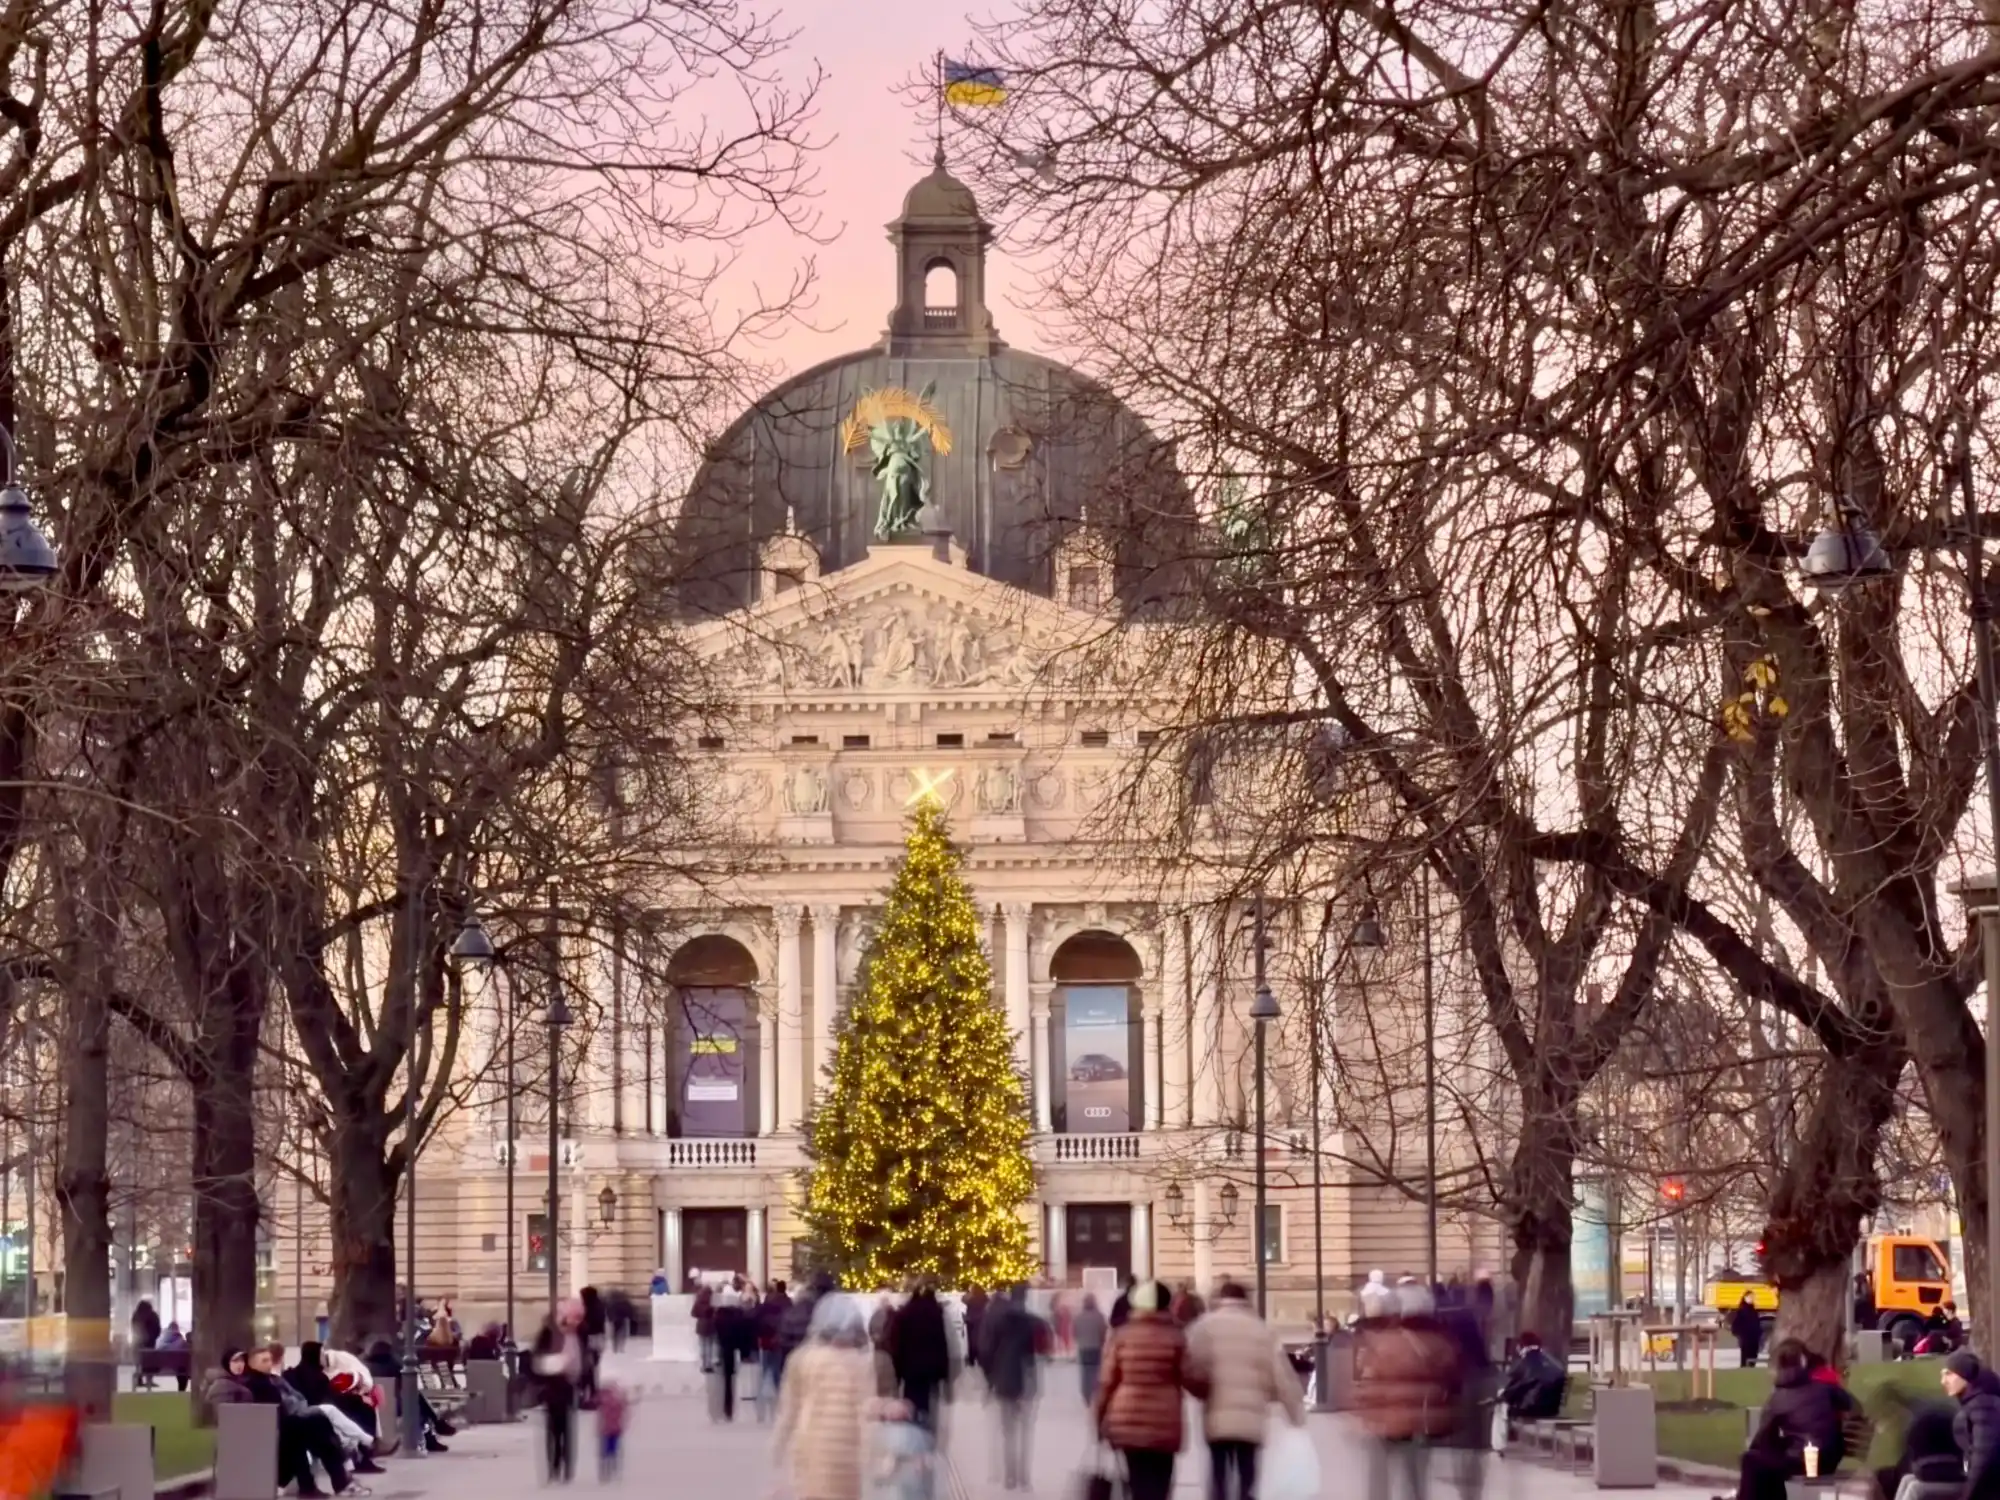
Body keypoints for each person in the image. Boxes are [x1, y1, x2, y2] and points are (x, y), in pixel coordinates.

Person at [1186, 1281, 1307, 1500]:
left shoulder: (1204, 1327)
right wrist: (1294, 1411)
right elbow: (1281, 1373)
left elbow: (1191, 1366)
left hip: (1216, 1414)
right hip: (1251, 1418)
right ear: (1246, 1300)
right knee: (1247, 1471)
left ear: (1221, 1299)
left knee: (1218, 1472)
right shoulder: (1262, 1329)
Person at [1353, 1279, 1458, 1500]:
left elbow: (1369, 1380)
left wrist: (1365, 1410)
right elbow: (1449, 1373)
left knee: (1379, 1478)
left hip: (1386, 1420)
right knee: (1416, 1478)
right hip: (1420, 1420)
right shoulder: (1429, 1342)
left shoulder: (1381, 1344)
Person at [1092, 1281, 1191, 1500]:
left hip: (1128, 1420)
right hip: (1166, 1421)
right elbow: (1190, 1377)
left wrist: (1098, 1418)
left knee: (1137, 1481)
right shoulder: (1176, 1336)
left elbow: (1107, 1382)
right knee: (1161, 1484)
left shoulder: (1121, 1336)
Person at [773, 1293, 876, 1500]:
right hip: (847, 1458)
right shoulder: (862, 1364)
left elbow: (789, 1411)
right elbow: (867, 1415)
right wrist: (873, 1458)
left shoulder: (802, 1359)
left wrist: (778, 1447)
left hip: (810, 1449)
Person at [243, 1345, 368, 1497]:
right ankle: (339, 1478)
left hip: (289, 1424)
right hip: (274, 1428)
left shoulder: (275, 1379)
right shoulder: (256, 1384)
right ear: (252, 1364)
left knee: (317, 1423)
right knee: (316, 1424)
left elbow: (299, 1397)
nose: (269, 1364)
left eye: (269, 1360)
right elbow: (276, 1409)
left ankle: (322, 1484)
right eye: (264, 1361)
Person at [1734, 1339, 1847, 1500]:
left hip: (1803, 1461)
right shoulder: (1825, 1388)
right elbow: (1851, 1406)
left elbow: (1762, 1437)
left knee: (1751, 1460)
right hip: (1830, 1458)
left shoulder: (1778, 1398)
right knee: (1770, 1462)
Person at [979, 1284, 1049, 1491]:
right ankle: (1024, 1478)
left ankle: (1010, 1477)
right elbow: (1041, 1349)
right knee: (1025, 1431)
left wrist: (990, 1378)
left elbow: (986, 1351)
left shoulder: (998, 1321)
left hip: (1005, 1379)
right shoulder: (1033, 1322)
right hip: (1027, 1380)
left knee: (1008, 1431)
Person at [286, 1343, 386, 1473]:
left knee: (357, 1410)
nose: (324, 1357)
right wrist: (357, 1398)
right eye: (321, 1354)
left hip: (309, 1410)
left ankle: (367, 1448)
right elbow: (330, 1397)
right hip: (316, 1414)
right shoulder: (318, 1376)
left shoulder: (293, 1373)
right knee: (361, 1411)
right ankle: (368, 1449)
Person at [532, 1302, 585, 1483]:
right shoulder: (548, 1334)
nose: (572, 1322)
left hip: (568, 1387)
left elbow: (582, 1362)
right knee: (553, 1430)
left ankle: (566, 1467)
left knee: (566, 1429)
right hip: (551, 1387)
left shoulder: (575, 1335)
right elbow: (536, 1358)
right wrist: (554, 1363)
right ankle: (553, 1467)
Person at [890, 1283, 953, 1433]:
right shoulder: (936, 1314)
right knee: (929, 1406)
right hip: (931, 1370)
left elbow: (897, 1345)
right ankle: (928, 1434)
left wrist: (898, 1373)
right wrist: (944, 1372)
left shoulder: (905, 1314)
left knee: (911, 1404)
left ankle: (912, 1435)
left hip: (910, 1370)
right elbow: (941, 1343)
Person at [1945, 1351, 2000, 1500]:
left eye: (1949, 1374)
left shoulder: (1984, 1406)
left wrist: (1968, 1494)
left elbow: (1984, 1457)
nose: (1943, 1381)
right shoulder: (1976, 1402)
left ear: (1965, 1376)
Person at [1498, 1331, 1566, 1422]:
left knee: (1500, 1406)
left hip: (1529, 1410)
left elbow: (1511, 1390)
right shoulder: (1555, 1363)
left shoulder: (1523, 1363)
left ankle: (1501, 1435)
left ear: (1521, 1346)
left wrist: (1502, 1396)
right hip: (1552, 1410)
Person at [759, 1280, 794, 1405]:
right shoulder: (788, 1302)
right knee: (777, 1366)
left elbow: (761, 1317)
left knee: (765, 1365)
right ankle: (778, 1389)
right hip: (780, 1338)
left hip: (767, 1337)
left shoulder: (769, 1300)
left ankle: (763, 1390)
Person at [1075, 1293, 1110, 1404]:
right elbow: (1103, 1331)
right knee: (1096, 1372)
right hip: (1096, 1347)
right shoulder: (1099, 1316)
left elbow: (1074, 1333)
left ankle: (1086, 1394)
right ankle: (1096, 1393)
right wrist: (1102, 1342)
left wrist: (1080, 1340)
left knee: (1085, 1373)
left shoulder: (1078, 1317)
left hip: (1083, 1348)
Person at [596, 1379, 627, 1480]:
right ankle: (613, 1469)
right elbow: (623, 1410)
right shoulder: (618, 1402)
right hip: (615, 1430)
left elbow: (601, 1416)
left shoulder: (603, 1402)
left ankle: (605, 1471)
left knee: (605, 1451)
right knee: (613, 1450)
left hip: (605, 1430)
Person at [1731, 1294, 1764, 1369]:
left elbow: (1757, 1323)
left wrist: (1759, 1333)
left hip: (1754, 1338)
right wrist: (1740, 1334)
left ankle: (1751, 1368)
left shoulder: (1754, 1310)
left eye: (1752, 1297)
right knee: (1745, 1356)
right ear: (1745, 1298)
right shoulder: (1741, 1310)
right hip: (1745, 1337)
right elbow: (1736, 1324)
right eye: (1749, 1297)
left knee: (1753, 1355)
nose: (1751, 1299)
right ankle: (1744, 1368)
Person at [692, 1276, 716, 1373]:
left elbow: (693, 1313)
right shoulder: (712, 1302)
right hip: (710, 1325)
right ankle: (709, 1365)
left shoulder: (698, 1301)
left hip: (701, 1325)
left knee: (702, 1345)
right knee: (709, 1345)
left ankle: (703, 1364)